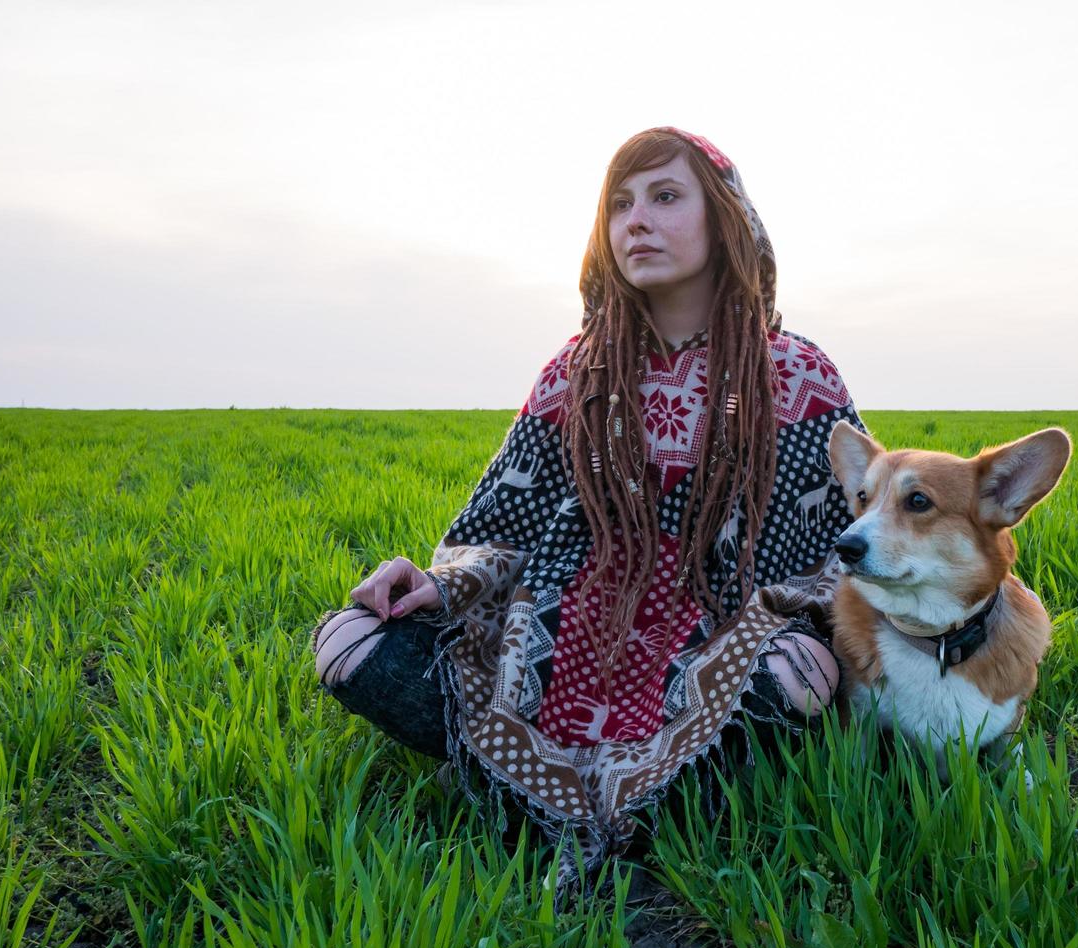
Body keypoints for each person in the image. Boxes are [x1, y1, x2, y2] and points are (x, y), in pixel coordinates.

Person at [310, 126, 868, 898]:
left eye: (666, 197)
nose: (635, 219)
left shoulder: (795, 374)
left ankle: (555, 806)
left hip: (711, 652)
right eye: (619, 204)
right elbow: (499, 531)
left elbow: (847, 546)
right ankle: (602, 802)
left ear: (725, 219)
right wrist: (438, 584)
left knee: (796, 674)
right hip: (553, 650)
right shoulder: (573, 373)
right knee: (350, 643)